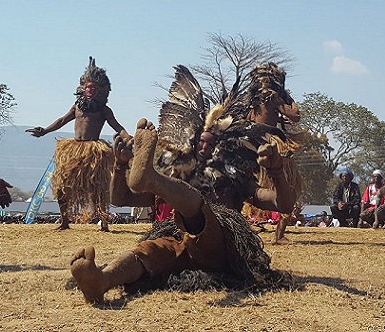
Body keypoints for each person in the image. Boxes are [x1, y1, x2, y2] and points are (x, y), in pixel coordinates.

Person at [69, 65, 296, 303]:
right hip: (177, 243)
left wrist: (276, 171)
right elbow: (120, 199)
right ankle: (102, 280)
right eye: (200, 142)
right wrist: (120, 165)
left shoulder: (235, 180)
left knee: (197, 209)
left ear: (221, 147)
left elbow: (283, 204)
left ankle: (151, 179)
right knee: (148, 252)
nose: (204, 147)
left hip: (217, 249)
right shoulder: (176, 174)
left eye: (210, 143)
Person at [26, 57, 130, 231]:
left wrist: (129, 137)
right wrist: (44, 131)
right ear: (82, 88)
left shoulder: (104, 110)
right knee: (62, 186)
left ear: (100, 91)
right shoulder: (77, 106)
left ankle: (104, 223)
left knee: (98, 187)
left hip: (94, 151)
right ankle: (65, 221)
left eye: (93, 88)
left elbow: (118, 127)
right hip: (72, 150)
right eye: (88, 87)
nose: (90, 90)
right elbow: (61, 120)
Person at [244, 62, 303, 244]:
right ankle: (279, 234)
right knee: (288, 184)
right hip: (270, 143)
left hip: (252, 141)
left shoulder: (254, 99)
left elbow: (250, 119)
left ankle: (269, 230)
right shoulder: (273, 97)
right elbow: (296, 115)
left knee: (248, 185)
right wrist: (286, 96)